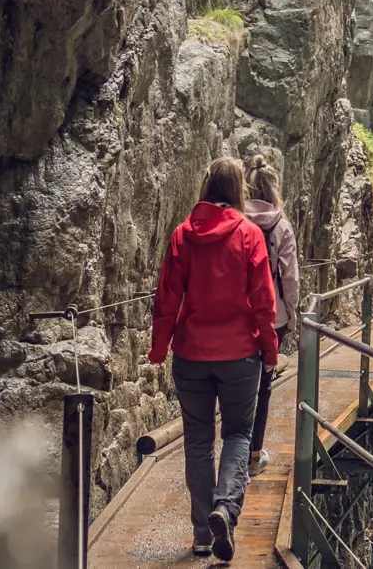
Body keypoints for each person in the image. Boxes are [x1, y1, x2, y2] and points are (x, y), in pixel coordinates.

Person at [149, 156, 280, 562]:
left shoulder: (182, 236)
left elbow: (167, 298)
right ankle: (225, 508)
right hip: (241, 355)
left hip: (191, 355)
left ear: (206, 186)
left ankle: (203, 535)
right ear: (238, 190)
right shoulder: (248, 234)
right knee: (239, 435)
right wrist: (270, 349)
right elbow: (263, 300)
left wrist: (158, 348)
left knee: (199, 441)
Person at [243, 154, 300, 477]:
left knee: (238, 384)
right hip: (273, 317)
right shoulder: (281, 226)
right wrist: (291, 314)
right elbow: (290, 277)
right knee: (263, 386)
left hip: (239, 315)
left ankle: (233, 450)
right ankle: (253, 454)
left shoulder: (237, 222)